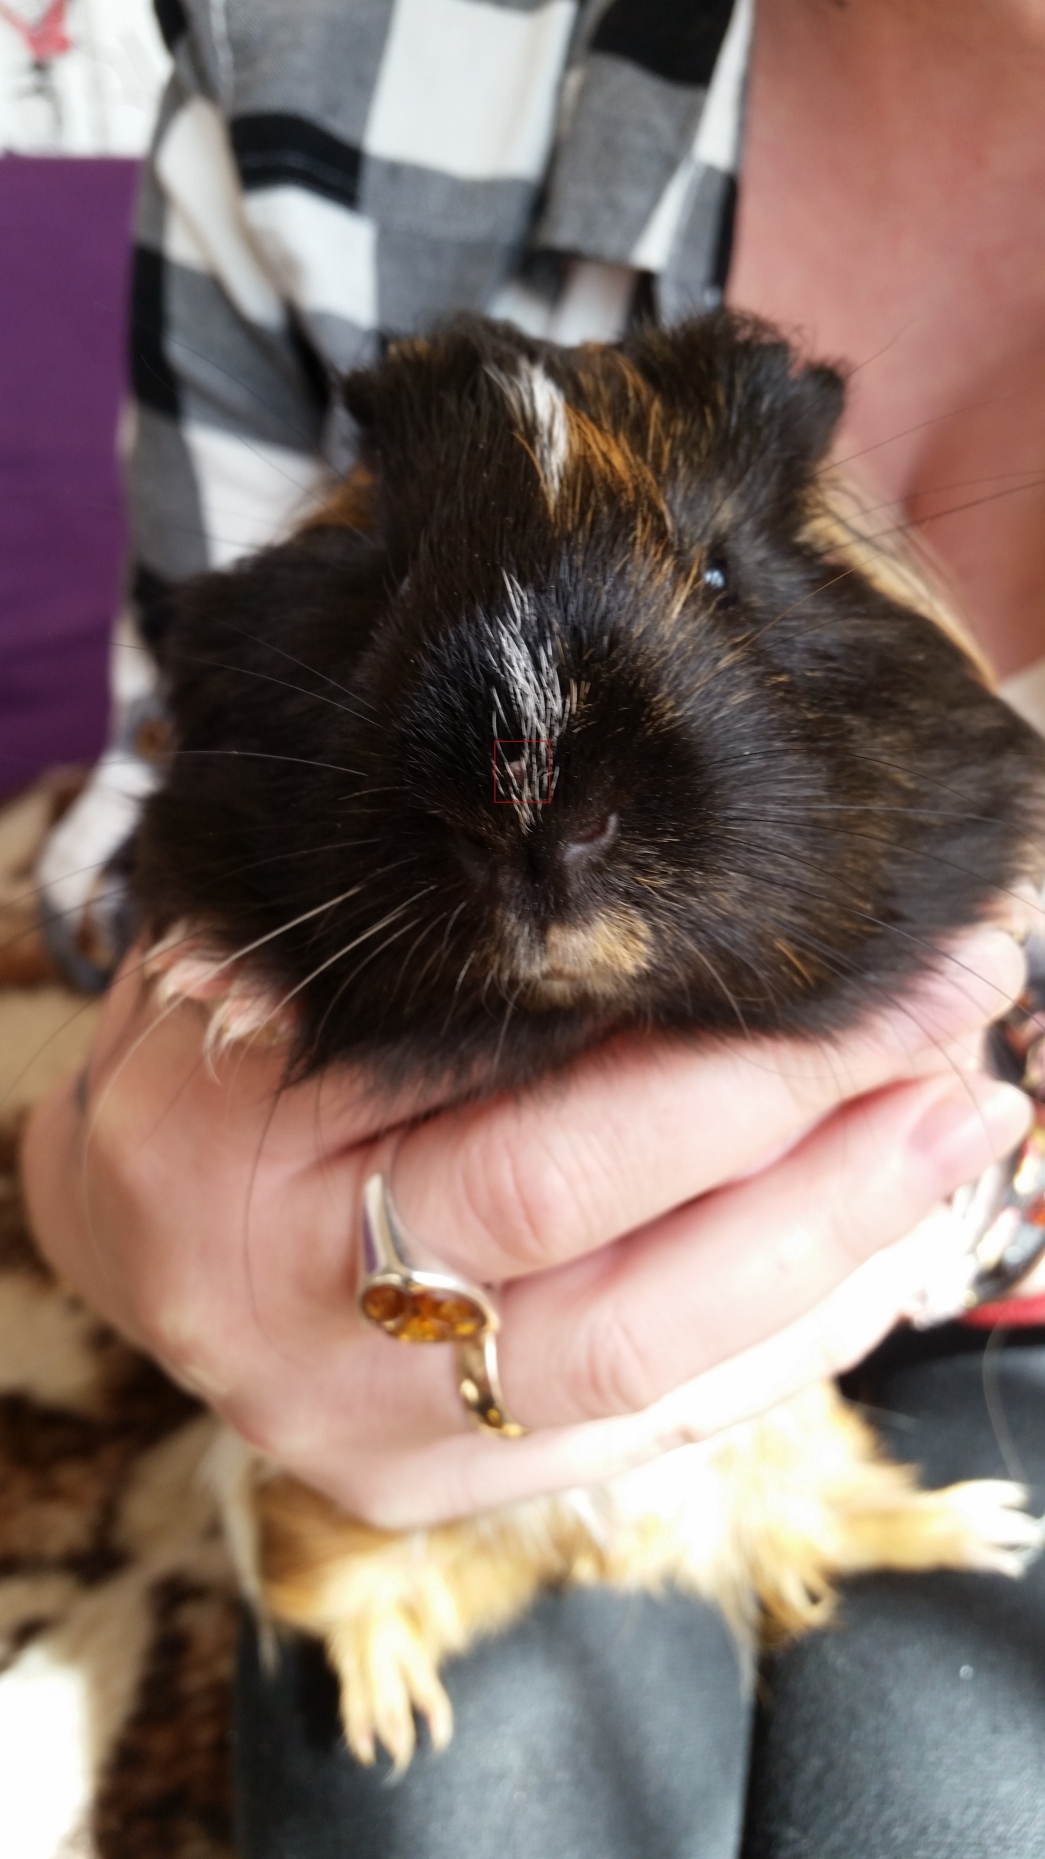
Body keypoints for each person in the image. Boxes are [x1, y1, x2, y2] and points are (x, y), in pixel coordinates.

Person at [21, 1, 1045, 1853]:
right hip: (409, 1335)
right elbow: (141, 859)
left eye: (715, 585)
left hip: (1006, 1325)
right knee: (446, 1795)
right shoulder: (313, 71)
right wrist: (124, 1200)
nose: (556, 828)